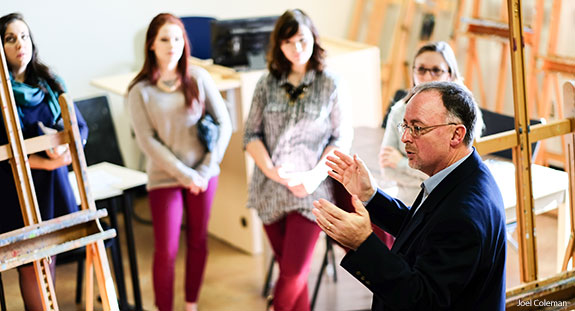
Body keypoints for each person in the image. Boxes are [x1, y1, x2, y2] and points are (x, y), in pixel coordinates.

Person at [313, 82, 506, 310]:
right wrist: (370, 196)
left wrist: (364, 244)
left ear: (456, 134)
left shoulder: (464, 213)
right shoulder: (464, 173)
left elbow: (422, 301)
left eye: (417, 128)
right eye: (404, 125)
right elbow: (424, 230)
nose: (405, 137)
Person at [243, 9, 352, 311]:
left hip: (311, 191)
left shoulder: (331, 83)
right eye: (289, 42)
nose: (297, 48)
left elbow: (341, 138)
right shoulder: (266, 84)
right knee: (293, 273)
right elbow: (250, 134)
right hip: (269, 187)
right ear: (278, 45)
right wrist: (271, 171)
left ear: (313, 40)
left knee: (292, 272)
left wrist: (315, 175)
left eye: (302, 40)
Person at [127, 13, 232, 311]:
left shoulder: (198, 78)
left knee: (198, 241)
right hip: (165, 178)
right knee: (167, 251)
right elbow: (147, 142)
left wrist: (204, 170)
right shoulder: (139, 91)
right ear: (151, 45)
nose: (172, 45)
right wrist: (185, 175)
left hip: (204, 174)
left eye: (177, 38)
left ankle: (191, 304)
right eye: (164, 39)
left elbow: (224, 125)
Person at [0, 13, 88, 310]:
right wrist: (48, 163)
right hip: (18, 190)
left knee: (48, 257)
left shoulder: (50, 82)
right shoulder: (1, 94)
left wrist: (66, 153)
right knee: (30, 263)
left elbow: (80, 127)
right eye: (10, 39)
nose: (19, 44)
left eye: (24, 36)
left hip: (54, 184)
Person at [379, 41, 462, 204]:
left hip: (446, 204)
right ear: (413, 72)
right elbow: (387, 169)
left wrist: (402, 163)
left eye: (436, 71)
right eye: (421, 69)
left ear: (450, 74)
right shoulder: (398, 111)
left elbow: (453, 177)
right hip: (406, 203)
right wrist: (432, 174)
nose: (427, 77)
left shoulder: (463, 114)